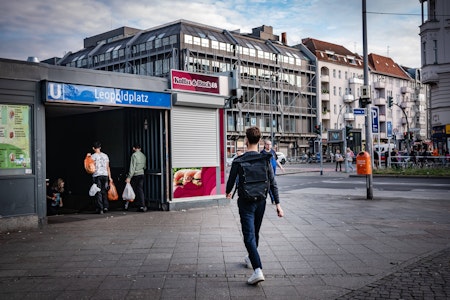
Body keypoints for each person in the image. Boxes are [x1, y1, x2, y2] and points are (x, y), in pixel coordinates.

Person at [226, 126, 284, 285]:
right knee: (255, 232)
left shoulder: (238, 161)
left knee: (248, 236)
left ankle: (257, 269)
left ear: (246, 141)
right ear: (259, 141)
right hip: (261, 201)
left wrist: (228, 192)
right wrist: (278, 204)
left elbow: (231, 181)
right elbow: (273, 183)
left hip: (245, 202)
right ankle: (251, 257)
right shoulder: (265, 160)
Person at [88, 141, 112, 214]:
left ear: (93, 148)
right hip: (105, 175)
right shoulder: (105, 156)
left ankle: (100, 208)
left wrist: (88, 157)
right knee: (104, 191)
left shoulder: (92, 156)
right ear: (100, 147)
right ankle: (106, 207)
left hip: (97, 175)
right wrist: (110, 177)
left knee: (98, 192)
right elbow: (108, 167)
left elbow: (89, 167)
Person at [260, 139, 284, 204]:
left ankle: (273, 199)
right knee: (270, 185)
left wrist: (281, 167)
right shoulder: (262, 153)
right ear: (265, 145)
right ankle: (272, 199)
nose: (269, 146)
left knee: (272, 185)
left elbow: (276, 160)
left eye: (270, 144)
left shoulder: (273, 152)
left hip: (273, 171)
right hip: (266, 171)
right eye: (267, 144)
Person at [125, 143, 147, 212]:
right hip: (142, 174)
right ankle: (142, 205)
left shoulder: (134, 155)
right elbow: (145, 167)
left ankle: (129, 205)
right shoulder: (143, 155)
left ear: (134, 148)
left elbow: (132, 167)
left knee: (132, 190)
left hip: (136, 175)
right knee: (140, 190)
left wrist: (129, 177)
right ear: (140, 148)